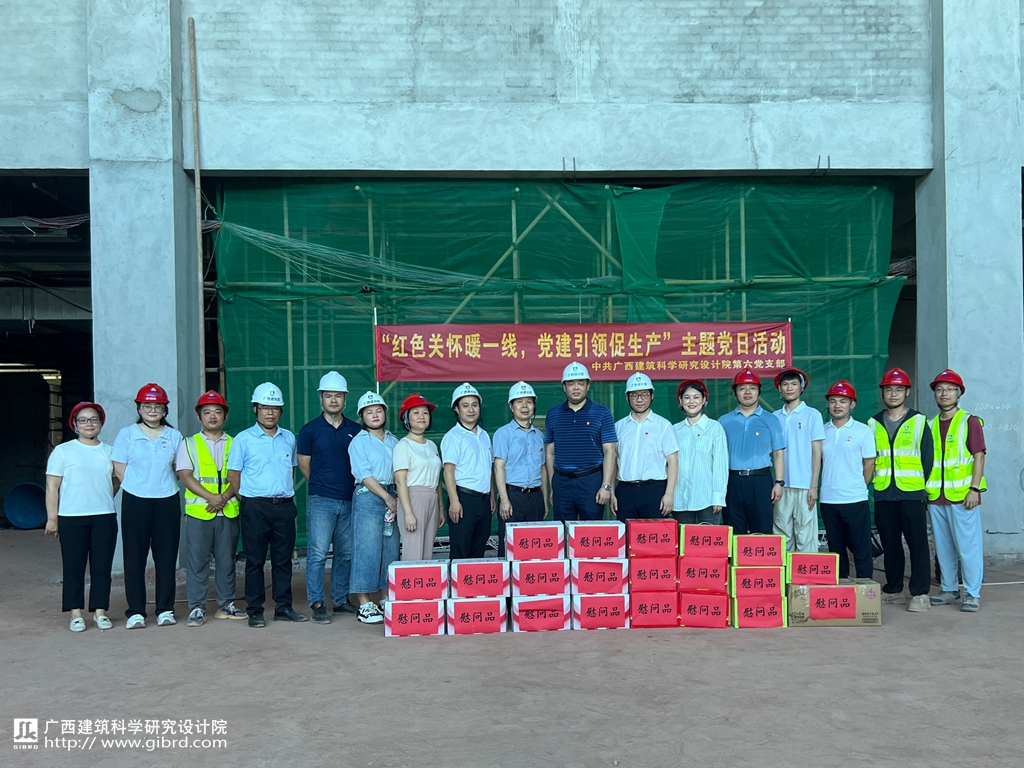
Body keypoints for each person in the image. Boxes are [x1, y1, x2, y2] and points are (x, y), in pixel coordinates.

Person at [226, 382, 307, 627]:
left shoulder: (288, 438)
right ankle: (255, 609)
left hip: (284, 506)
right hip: (255, 506)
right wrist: (247, 499)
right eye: (264, 407)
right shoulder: (243, 439)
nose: (270, 412)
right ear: (255, 409)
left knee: (283, 560)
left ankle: (283, 607)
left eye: (274, 408)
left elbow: (291, 470)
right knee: (255, 560)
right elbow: (233, 474)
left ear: (281, 411)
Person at [112, 383, 183, 630]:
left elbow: (179, 468)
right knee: (134, 557)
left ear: (164, 410)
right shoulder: (127, 434)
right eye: (147, 406)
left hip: (167, 499)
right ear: (139, 408)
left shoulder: (174, 436)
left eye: (157, 406)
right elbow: (119, 467)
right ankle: (136, 612)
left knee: (166, 557)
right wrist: (136, 486)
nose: (152, 410)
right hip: (135, 500)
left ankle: (165, 609)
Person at [44, 402, 119, 632]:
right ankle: (75, 613)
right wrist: (52, 518)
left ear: (101, 423)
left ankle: (100, 612)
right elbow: (52, 486)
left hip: (104, 515)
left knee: (102, 566)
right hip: (71, 517)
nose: (89, 424)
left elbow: (117, 479)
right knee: (73, 566)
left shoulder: (109, 451)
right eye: (83, 420)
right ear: (75, 424)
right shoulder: (63, 451)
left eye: (94, 419)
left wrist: (104, 495)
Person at [175, 390, 245, 628]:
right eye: (207, 412)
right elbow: (185, 476)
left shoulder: (236, 443)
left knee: (227, 560)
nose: (213, 416)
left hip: (228, 510)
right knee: (198, 562)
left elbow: (240, 475)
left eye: (218, 412)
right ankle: (197, 607)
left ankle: (226, 605)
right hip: (199, 513)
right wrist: (212, 498)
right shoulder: (188, 443)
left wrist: (224, 497)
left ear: (225, 416)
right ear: (199, 417)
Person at [866, 368, 934, 612]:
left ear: (907, 392)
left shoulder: (919, 421)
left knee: (918, 545)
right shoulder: (872, 423)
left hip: (912, 494)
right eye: (888, 389)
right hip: (884, 493)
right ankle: (893, 589)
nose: (893, 394)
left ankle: (920, 594)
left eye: (898, 389)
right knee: (891, 544)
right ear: (882, 393)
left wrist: (924, 491)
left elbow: (928, 459)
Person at [297, 372, 361, 624]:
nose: (333, 400)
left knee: (346, 553)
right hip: (322, 500)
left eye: (338, 396)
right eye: (328, 395)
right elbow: (304, 465)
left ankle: (340, 599)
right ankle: (317, 602)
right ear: (321, 398)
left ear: (345, 399)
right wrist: (322, 485)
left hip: (350, 500)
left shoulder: (355, 430)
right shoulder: (309, 430)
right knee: (317, 553)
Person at [925, 369, 987, 612]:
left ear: (959, 393)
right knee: (943, 547)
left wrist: (974, 489)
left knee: (968, 547)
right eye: (940, 389)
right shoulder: (929, 425)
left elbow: (979, 456)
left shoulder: (969, 421)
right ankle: (949, 588)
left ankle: (972, 593)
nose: (944, 393)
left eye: (950, 389)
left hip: (963, 496)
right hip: (936, 496)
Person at [347, 392, 400, 625]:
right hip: (369, 495)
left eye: (378, 410)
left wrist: (394, 497)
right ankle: (364, 603)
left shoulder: (394, 441)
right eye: (369, 412)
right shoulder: (359, 442)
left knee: (390, 548)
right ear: (362, 416)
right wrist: (387, 497)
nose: (375, 415)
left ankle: (385, 597)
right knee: (366, 548)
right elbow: (365, 475)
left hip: (392, 494)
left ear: (385, 413)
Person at [544, 362, 617, 522]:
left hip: (591, 481)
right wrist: (553, 486)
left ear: (588, 386)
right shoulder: (553, 414)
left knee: (591, 531)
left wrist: (606, 486)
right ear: (564, 387)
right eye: (571, 383)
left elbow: (610, 451)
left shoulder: (602, 413)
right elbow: (550, 453)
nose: (576, 388)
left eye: (581, 383)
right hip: (561, 482)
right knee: (563, 530)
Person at [819, 380, 876, 580]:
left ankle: (865, 587)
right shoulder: (821, 431)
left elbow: (869, 464)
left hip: (855, 498)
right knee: (836, 549)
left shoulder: (863, 431)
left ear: (852, 404)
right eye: (833, 401)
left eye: (843, 401)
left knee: (861, 547)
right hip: (828, 499)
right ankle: (840, 587)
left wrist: (858, 485)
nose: (837, 405)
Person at [718, 369, 785, 535]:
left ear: (759, 392)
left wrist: (779, 483)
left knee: (762, 531)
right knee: (734, 531)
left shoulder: (771, 420)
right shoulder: (724, 421)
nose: (747, 392)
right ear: (735, 393)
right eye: (742, 388)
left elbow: (778, 454)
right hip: (731, 482)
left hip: (761, 481)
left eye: (752, 388)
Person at [772, 367, 824, 553]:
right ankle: (785, 572)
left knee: (805, 536)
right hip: (781, 486)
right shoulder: (774, 417)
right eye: (785, 384)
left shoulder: (812, 414)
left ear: (802, 387)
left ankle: (806, 572)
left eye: (794, 384)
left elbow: (817, 452)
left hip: (805, 486)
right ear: (779, 388)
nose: (789, 388)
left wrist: (813, 486)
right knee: (781, 535)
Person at [612, 373, 678, 520]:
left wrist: (669, 494)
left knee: (654, 533)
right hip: (625, 491)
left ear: (652, 396)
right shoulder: (618, 427)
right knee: (626, 533)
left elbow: (673, 461)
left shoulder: (663, 425)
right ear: (627, 398)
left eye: (644, 394)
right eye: (634, 395)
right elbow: (613, 462)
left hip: (654, 491)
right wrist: (611, 493)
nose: (639, 399)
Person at [493, 382, 548, 557]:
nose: (525, 406)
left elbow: (543, 469)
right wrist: (504, 499)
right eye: (519, 402)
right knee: (509, 547)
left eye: (529, 402)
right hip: (513, 496)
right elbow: (499, 467)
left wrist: (544, 499)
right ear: (511, 406)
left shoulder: (539, 435)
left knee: (534, 547)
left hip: (535, 497)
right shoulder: (503, 433)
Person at [441, 383, 494, 559]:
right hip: (464, 499)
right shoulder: (453, 436)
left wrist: (491, 496)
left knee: (479, 551)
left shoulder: (484, 435)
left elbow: (489, 468)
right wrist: (454, 501)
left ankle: (474, 580)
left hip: (484, 500)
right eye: (465, 405)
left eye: (474, 405)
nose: (471, 410)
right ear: (456, 409)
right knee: (461, 552)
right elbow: (448, 471)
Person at [393, 393, 444, 561]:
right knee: (413, 551)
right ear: (406, 418)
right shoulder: (403, 445)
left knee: (427, 552)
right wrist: (408, 513)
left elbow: (437, 479)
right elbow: (400, 481)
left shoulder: (431, 445)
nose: (422, 416)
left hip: (432, 498)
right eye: (416, 413)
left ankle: (425, 580)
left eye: (425, 413)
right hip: (413, 498)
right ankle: (410, 580)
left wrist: (441, 507)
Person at [671, 380, 729, 525]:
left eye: (696, 397)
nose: (691, 401)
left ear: (704, 400)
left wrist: (718, 497)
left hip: (707, 498)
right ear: (680, 401)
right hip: (679, 498)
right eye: (687, 397)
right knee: (682, 538)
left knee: (708, 538)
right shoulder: (674, 430)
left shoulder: (714, 428)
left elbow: (720, 464)